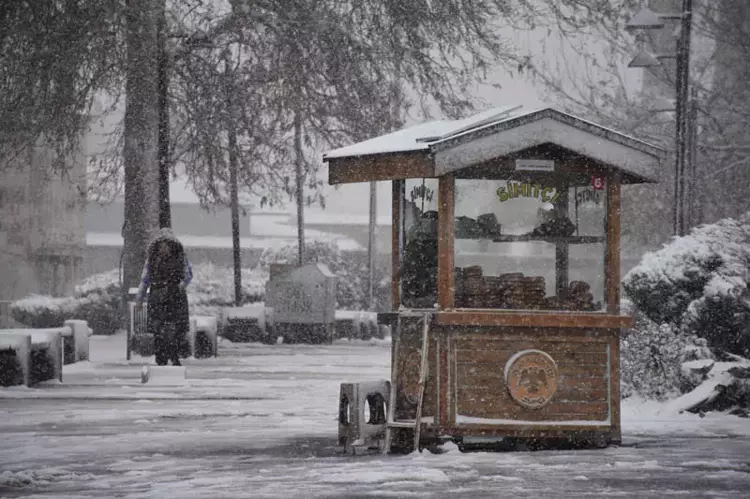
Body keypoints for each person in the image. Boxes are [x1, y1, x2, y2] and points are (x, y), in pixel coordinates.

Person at [135, 229, 193, 366]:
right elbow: (145, 280)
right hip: (157, 298)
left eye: (166, 245)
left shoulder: (180, 258)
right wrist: (139, 298)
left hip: (175, 298)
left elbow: (188, 275)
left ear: (171, 246)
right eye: (161, 245)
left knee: (174, 329)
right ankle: (161, 356)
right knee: (158, 329)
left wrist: (180, 286)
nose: (163, 248)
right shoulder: (152, 261)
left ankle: (174, 355)